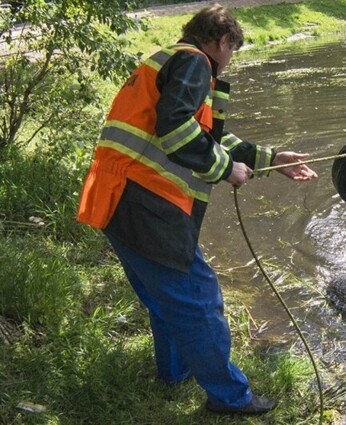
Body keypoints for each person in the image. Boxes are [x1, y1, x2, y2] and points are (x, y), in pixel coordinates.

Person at [76, 3, 317, 416]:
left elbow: (207, 136)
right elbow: (179, 132)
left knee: (163, 297)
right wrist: (228, 170)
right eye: (232, 50)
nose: (229, 61)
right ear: (222, 40)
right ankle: (230, 397)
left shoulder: (164, 59)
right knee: (199, 301)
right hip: (149, 205)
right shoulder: (194, 63)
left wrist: (271, 159)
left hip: (117, 199)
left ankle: (175, 373)